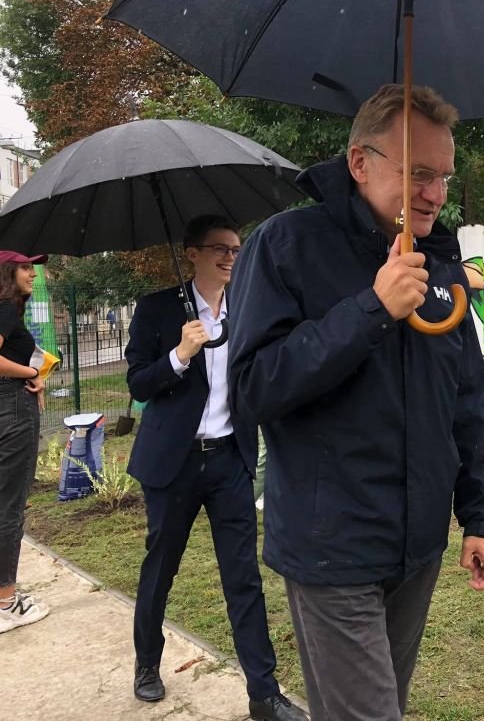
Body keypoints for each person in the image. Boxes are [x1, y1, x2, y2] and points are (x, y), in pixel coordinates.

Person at [227, 84, 484, 721]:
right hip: (334, 545)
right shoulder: (286, 245)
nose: (435, 193)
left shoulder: (444, 267)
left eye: (443, 176)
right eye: (418, 173)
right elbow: (252, 389)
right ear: (360, 163)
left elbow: (464, 401)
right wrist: (371, 309)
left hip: (418, 545)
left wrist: (482, 516)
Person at [125, 216, 304, 721]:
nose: (231, 257)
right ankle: (146, 664)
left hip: (230, 459)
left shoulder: (248, 309)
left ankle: (263, 694)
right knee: (160, 570)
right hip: (173, 464)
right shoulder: (158, 308)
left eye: (236, 249)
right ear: (193, 254)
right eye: (220, 249)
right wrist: (180, 354)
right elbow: (138, 383)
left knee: (243, 577)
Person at [0, 251, 50, 634]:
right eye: (25, 267)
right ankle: (6, 601)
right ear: (8, 272)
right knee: (9, 504)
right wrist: (32, 371)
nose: (32, 273)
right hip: (12, 409)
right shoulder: (4, 309)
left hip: (11, 401)